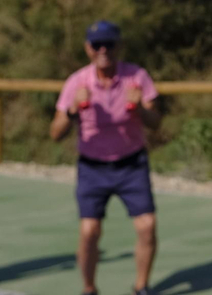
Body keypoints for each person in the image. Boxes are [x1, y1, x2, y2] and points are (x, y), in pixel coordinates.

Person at [50, 20, 161, 295]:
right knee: (89, 232)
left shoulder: (137, 77)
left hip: (131, 164)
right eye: (97, 45)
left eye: (109, 44)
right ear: (88, 48)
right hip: (92, 167)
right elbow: (55, 133)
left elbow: (156, 122)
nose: (103, 50)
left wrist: (139, 109)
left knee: (147, 227)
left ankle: (141, 287)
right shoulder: (77, 82)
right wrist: (73, 110)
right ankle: (89, 288)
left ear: (118, 46)